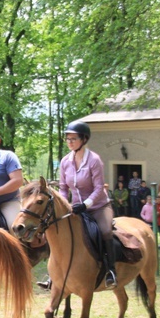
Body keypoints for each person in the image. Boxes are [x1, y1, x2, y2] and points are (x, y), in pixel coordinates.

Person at [59, 120, 116, 289]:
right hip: (75, 208)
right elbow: (63, 187)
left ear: (83, 139)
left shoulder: (94, 160)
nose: (69, 142)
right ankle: (54, 274)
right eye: (67, 139)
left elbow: (99, 187)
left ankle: (111, 270)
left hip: (98, 207)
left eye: (73, 138)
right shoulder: (65, 161)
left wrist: (85, 204)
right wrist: (64, 205)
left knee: (105, 231)